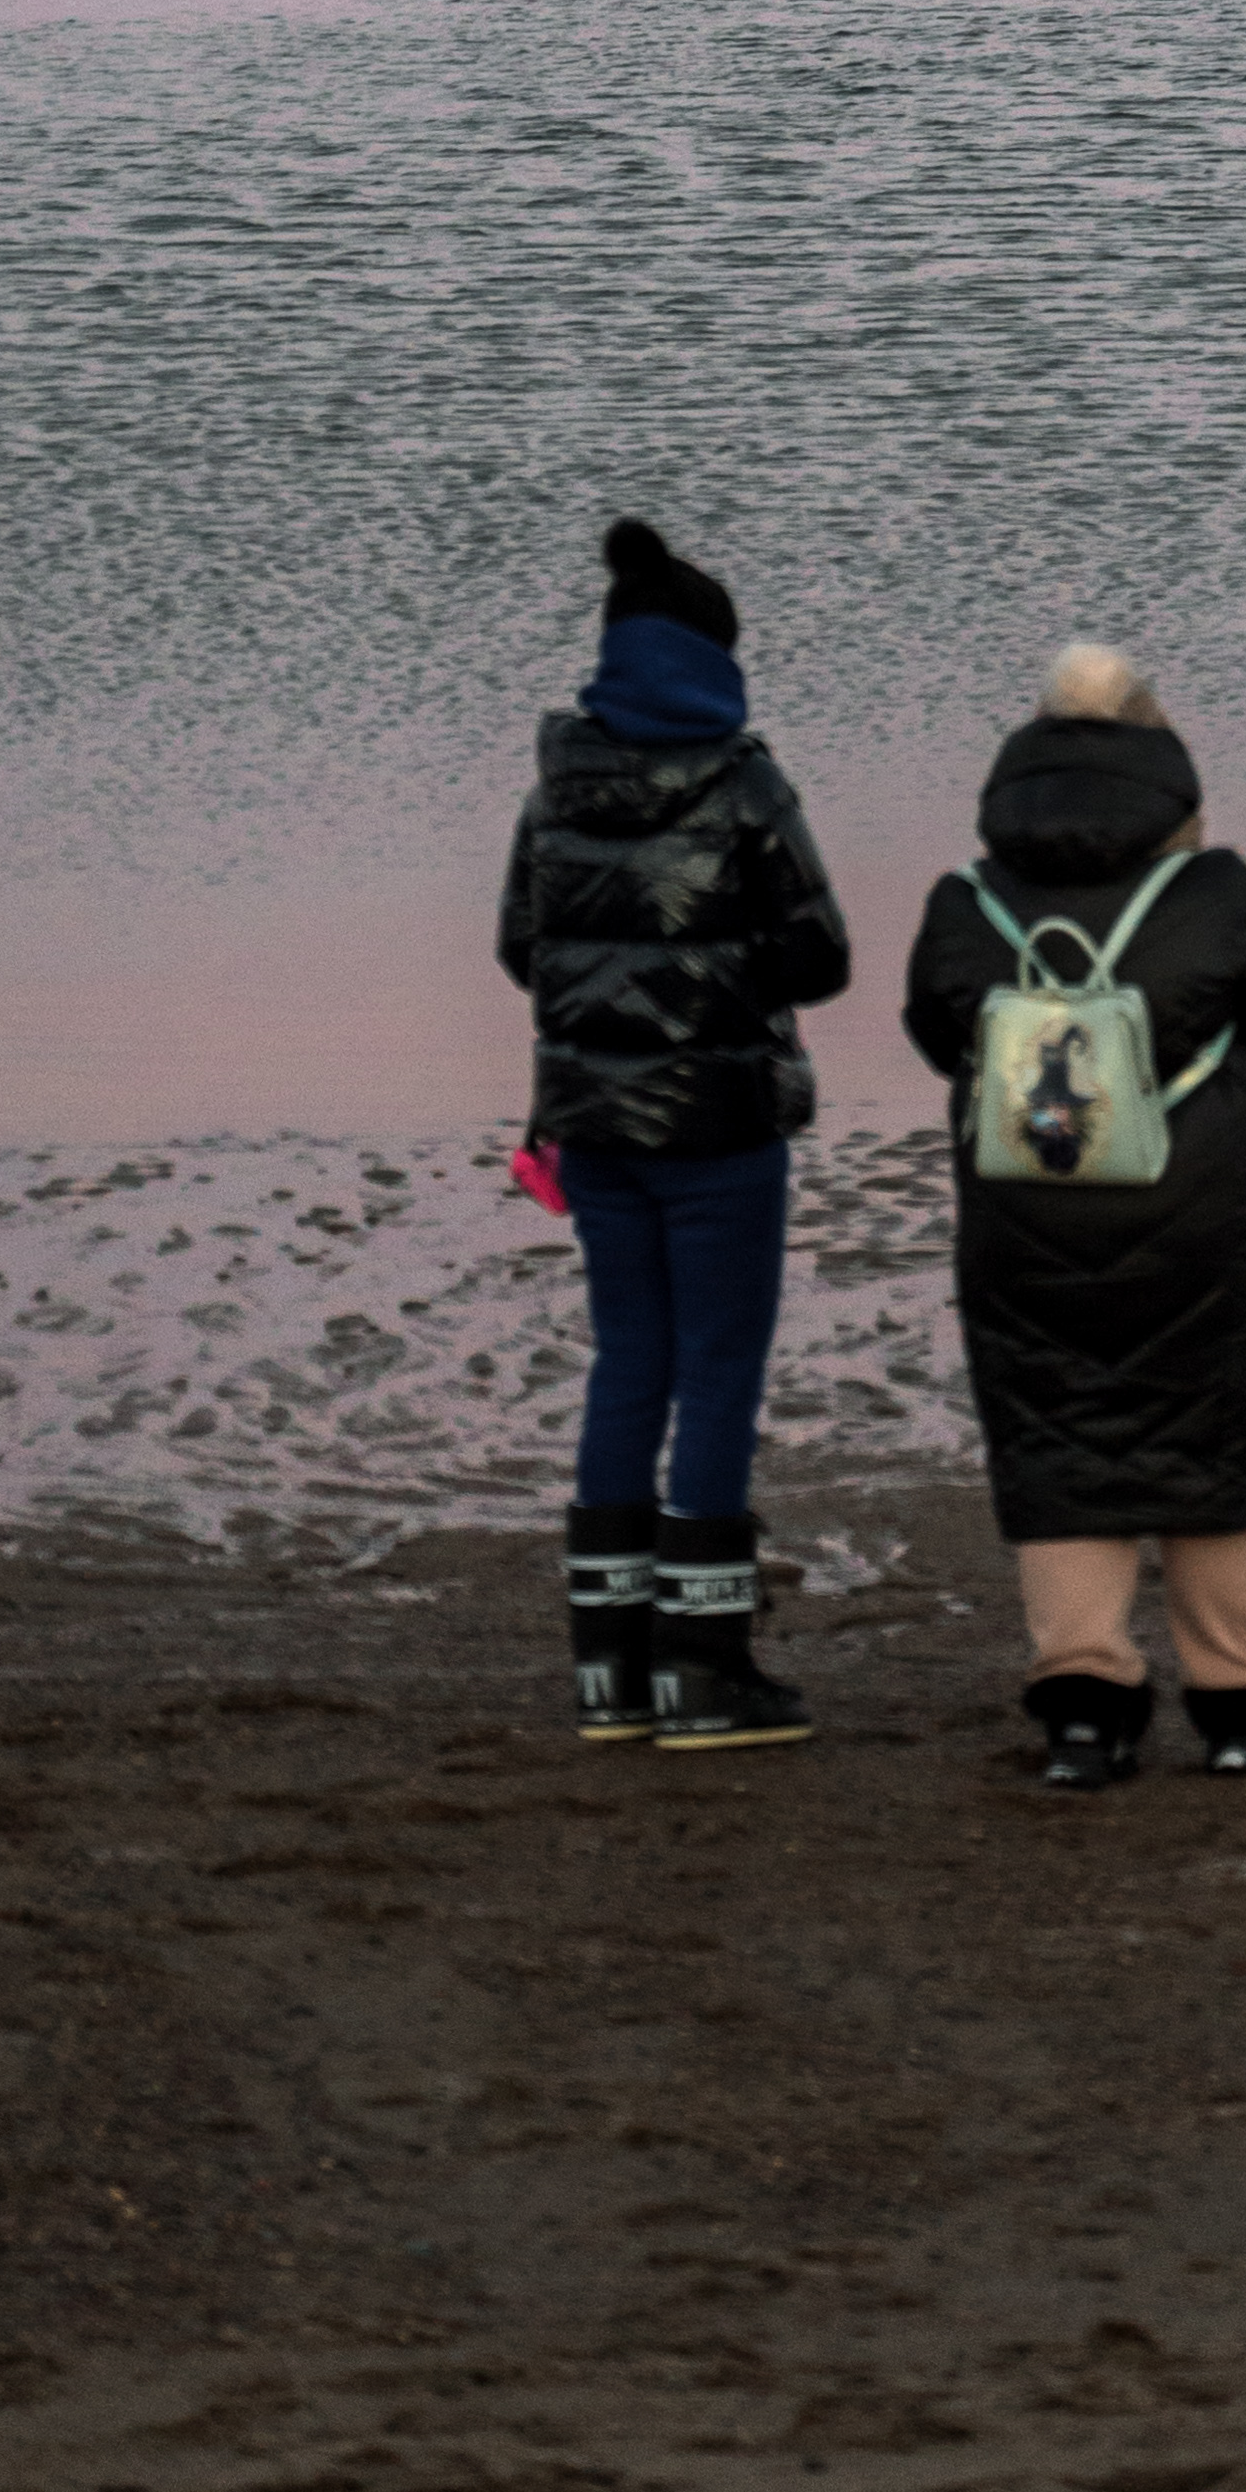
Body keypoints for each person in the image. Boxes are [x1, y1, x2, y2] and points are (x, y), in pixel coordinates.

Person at [903, 644, 1246, 1787]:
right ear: (1168, 777)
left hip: (1023, 1221)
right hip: (1204, 1218)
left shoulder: (963, 902)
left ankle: (1084, 1718)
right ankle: (1236, 1711)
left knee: (1058, 1442)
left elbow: (936, 1035)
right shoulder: (1215, 891)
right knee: (1218, 1444)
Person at [496, 515, 852, 1753]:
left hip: (593, 1125)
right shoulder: (744, 783)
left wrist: (618, 996)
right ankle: (701, 1672)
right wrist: (716, 982)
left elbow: (520, 950)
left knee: (627, 1363)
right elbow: (821, 956)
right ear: (713, 659)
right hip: (719, 1129)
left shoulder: (555, 781)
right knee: (717, 1373)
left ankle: (609, 1671)